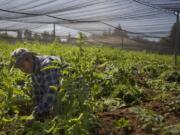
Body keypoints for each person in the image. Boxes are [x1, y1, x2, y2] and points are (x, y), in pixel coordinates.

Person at [11, 48, 65, 121]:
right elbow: (37, 92)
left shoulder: (47, 65)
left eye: (23, 66)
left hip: (73, 91)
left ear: (29, 59)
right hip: (60, 93)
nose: (22, 70)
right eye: (20, 68)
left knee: (59, 112)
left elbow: (52, 92)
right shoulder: (33, 68)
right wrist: (38, 110)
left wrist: (35, 113)